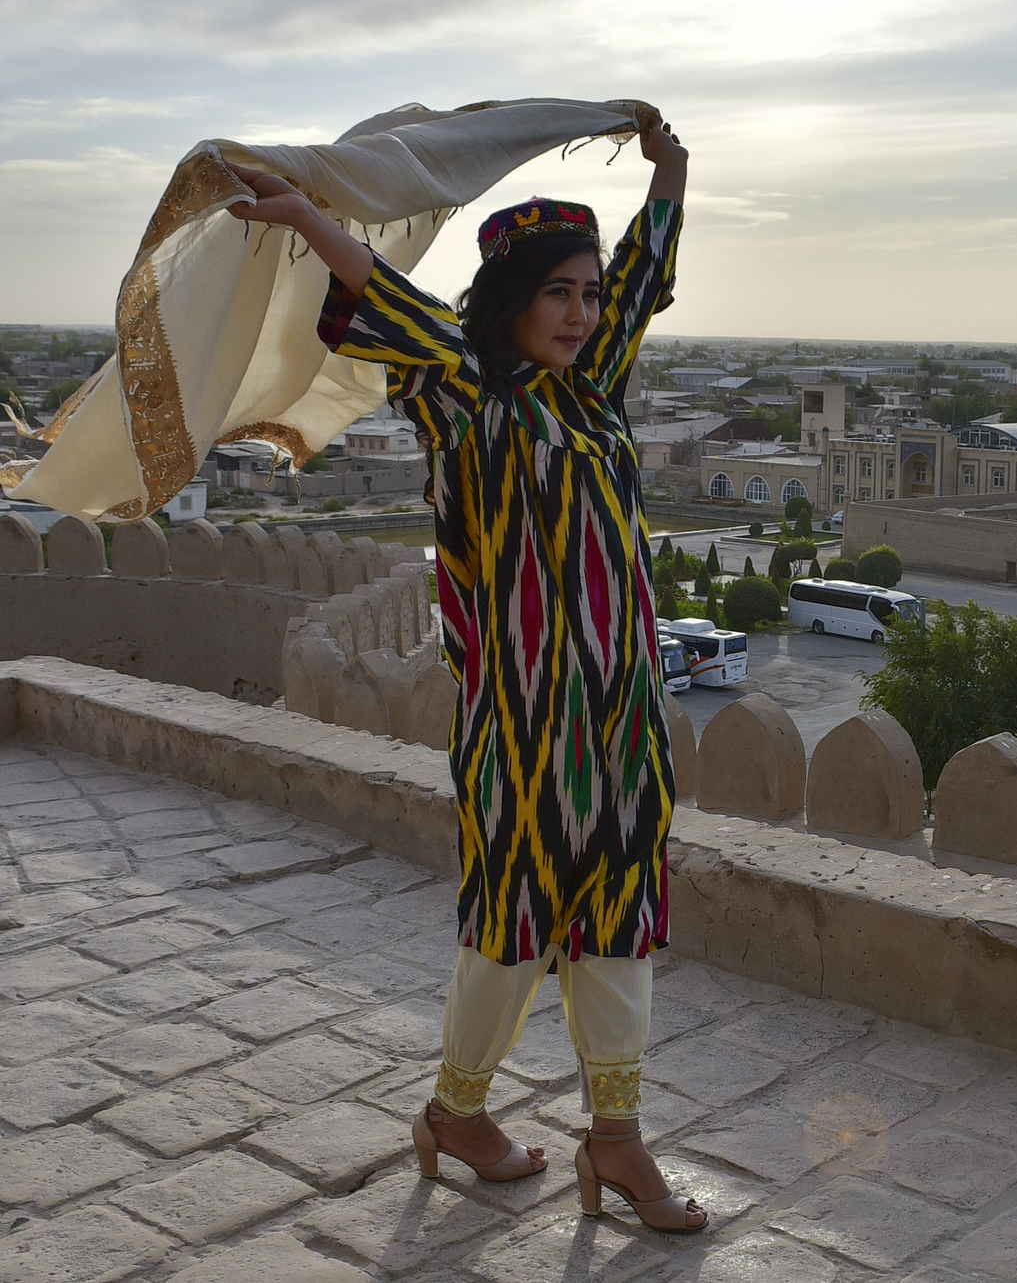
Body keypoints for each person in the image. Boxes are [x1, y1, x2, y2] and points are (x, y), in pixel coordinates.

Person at [228, 116, 705, 1234]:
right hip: (524, 723)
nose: (583, 314)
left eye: (588, 295)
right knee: (518, 916)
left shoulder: (597, 393)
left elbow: (647, 274)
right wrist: (308, 219)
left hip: (622, 718)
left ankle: (620, 1143)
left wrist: (672, 171)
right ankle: (456, 1112)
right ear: (511, 303)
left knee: (622, 913)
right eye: (560, 296)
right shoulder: (458, 399)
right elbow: (393, 303)